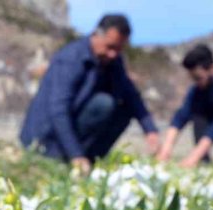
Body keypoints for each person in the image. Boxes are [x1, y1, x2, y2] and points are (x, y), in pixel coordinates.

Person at [20, 14, 159, 173]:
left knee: (124, 109)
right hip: (44, 137)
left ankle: (90, 161)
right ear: (96, 35)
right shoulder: (71, 59)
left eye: (119, 49)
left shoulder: (113, 60)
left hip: (74, 125)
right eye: (110, 47)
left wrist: (150, 130)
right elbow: (58, 111)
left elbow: (131, 95)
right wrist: (76, 154)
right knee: (104, 104)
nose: (113, 54)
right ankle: (66, 158)